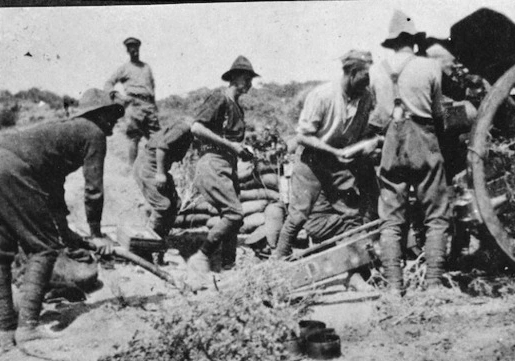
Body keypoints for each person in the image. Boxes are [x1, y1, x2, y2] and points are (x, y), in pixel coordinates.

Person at [0, 89, 122, 353]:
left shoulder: (60, 133)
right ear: (99, 114)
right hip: (12, 168)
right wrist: (97, 234)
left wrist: (66, 232)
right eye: (112, 114)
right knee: (42, 248)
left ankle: (6, 333)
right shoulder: (93, 132)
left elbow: (52, 189)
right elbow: (93, 190)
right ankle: (28, 328)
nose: (115, 121)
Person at [274, 50, 380, 260]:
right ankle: (279, 258)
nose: (367, 82)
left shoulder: (366, 97)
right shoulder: (323, 95)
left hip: (339, 161)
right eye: (364, 76)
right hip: (311, 159)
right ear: (351, 73)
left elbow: (364, 130)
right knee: (299, 214)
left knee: (350, 211)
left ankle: (356, 261)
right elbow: (303, 137)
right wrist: (333, 151)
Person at [373, 10, 450, 296]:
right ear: (413, 41)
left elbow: (379, 116)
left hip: (391, 143)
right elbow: (439, 113)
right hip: (423, 140)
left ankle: (394, 287)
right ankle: (433, 285)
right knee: (436, 214)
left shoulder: (375, 70)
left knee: (392, 219)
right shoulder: (430, 67)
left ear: (392, 43)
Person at [186, 56, 257, 278]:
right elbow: (196, 128)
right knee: (234, 213)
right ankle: (201, 256)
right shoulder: (220, 98)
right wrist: (231, 146)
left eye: (251, 79)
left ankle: (229, 266)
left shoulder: (238, 109)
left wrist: (242, 151)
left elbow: (231, 140)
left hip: (227, 166)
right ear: (234, 78)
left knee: (234, 220)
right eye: (246, 78)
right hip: (213, 163)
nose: (249, 84)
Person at [133, 117, 195, 240]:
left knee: (174, 204)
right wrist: (161, 174)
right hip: (149, 166)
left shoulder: (188, 131)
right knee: (162, 205)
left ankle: (160, 239)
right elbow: (162, 147)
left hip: (158, 167)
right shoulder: (184, 128)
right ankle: (148, 241)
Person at [104, 37, 160, 166]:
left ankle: (156, 169)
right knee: (134, 138)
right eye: (130, 48)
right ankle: (132, 171)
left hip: (149, 106)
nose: (133, 50)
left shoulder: (146, 67)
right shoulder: (125, 68)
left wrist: (154, 106)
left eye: (135, 47)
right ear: (127, 51)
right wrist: (117, 96)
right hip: (134, 106)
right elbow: (109, 83)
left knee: (157, 138)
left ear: (139, 48)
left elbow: (152, 87)